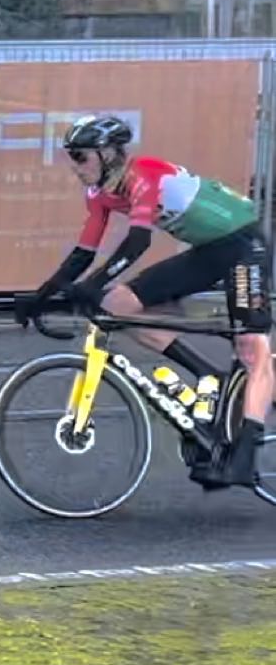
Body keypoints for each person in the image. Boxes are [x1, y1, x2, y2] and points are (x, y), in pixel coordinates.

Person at [15, 116, 268, 491]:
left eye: (80, 157)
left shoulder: (144, 174)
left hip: (246, 246)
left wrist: (93, 285)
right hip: (209, 251)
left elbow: (138, 243)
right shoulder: (101, 193)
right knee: (117, 305)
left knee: (251, 349)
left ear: (106, 154)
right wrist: (42, 296)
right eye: (72, 157)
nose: (75, 166)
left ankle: (245, 457)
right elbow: (84, 252)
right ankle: (206, 373)